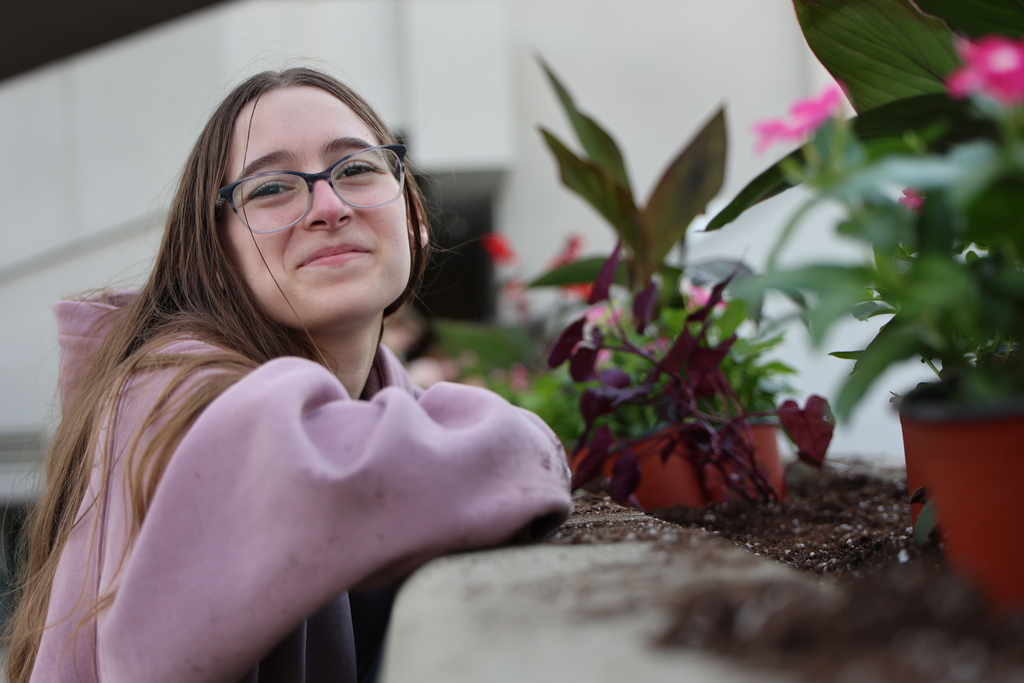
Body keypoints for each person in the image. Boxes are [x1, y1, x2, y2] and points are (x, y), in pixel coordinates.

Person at [5, 67, 572, 683]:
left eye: (356, 169)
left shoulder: (378, 392)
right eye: (271, 188)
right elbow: (455, 467)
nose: (327, 207)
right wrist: (523, 436)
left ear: (414, 215)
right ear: (216, 254)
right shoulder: (173, 392)